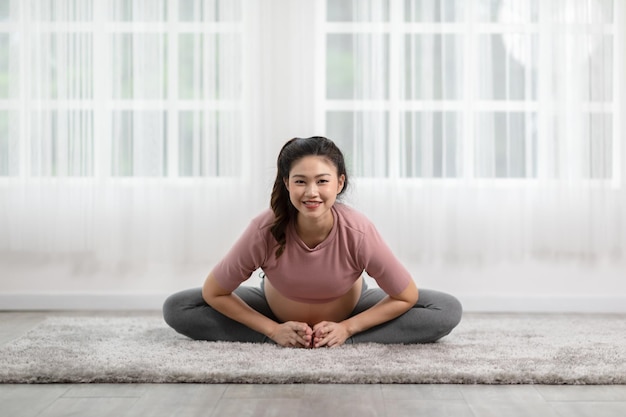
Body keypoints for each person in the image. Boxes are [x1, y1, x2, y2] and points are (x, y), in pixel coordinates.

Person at [163, 136, 462, 348]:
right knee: (179, 306)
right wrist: (272, 330)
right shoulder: (264, 228)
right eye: (300, 181)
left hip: (350, 311)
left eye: (322, 181)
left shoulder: (358, 231)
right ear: (286, 183)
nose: (311, 192)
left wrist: (347, 329)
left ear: (339, 183)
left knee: (445, 309)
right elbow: (214, 292)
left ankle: (339, 339)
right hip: (274, 312)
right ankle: (283, 337)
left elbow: (406, 295)